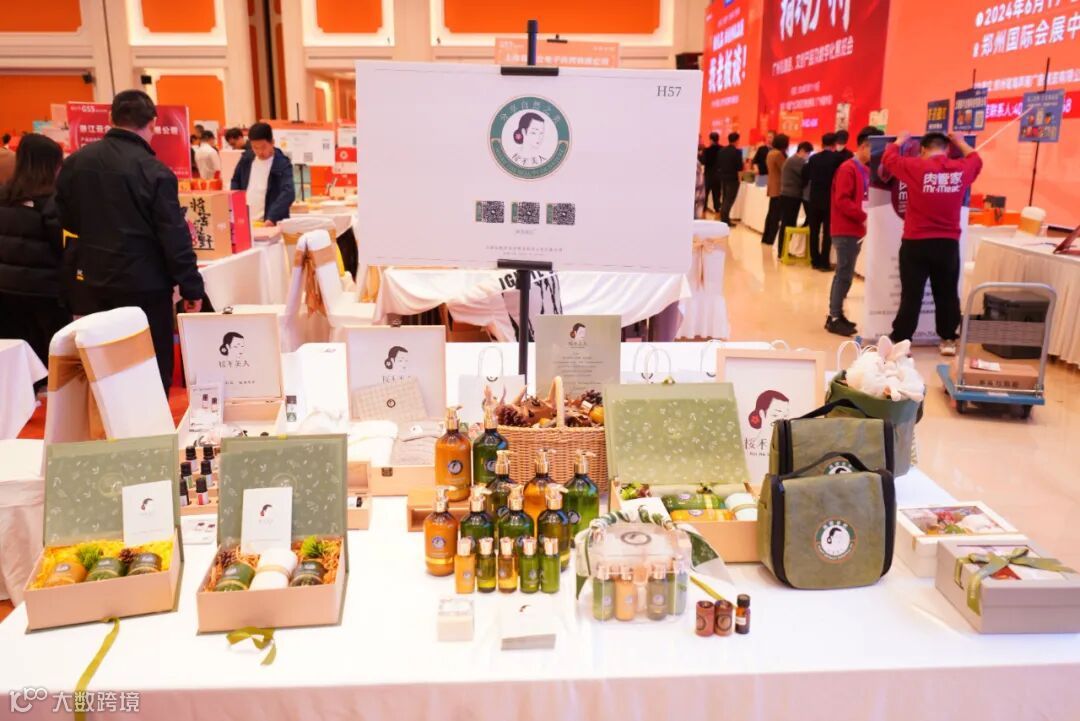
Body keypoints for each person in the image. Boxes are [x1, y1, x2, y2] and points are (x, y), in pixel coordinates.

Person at [56, 89, 204, 391]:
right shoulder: (154, 171)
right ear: (152, 123)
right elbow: (173, 235)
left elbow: (66, 218)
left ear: (111, 118)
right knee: (150, 363)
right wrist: (191, 286)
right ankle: (151, 418)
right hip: (145, 284)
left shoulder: (77, 163)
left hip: (95, 279)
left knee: (106, 364)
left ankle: (111, 417)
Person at [882, 131, 983, 355]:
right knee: (947, 293)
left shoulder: (916, 167)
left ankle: (901, 340)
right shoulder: (960, 169)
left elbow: (889, 159)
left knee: (911, 294)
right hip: (947, 244)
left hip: (915, 242)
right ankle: (948, 339)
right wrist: (960, 142)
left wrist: (899, 141)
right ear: (947, 149)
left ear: (923, 149)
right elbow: (976, 159)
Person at [0, 134, 71, 376]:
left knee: (20, 356)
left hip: (8, 288)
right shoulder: (51, 202)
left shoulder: (5, 196)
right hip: (46, 291)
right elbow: (62, 245)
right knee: (54, 356)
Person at [825, 126, 882, 337]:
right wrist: (864, 216)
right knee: (843, 274)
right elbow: (842, 201)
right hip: (845, 229)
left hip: (856, 230)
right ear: (865, 146)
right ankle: (834, 317)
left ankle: (837, 314)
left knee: (846, 274)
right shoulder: (847, 169)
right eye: (875, 149)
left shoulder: (864, 170)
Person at [231, 122, 295, 226]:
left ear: (272, 142)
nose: (260, 151)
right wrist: (238, 207)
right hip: (246, 221)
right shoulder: (246, 159)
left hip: (269, 222)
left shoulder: (282, 164)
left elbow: (288, 193)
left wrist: (272, 217)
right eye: (255, 147)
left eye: (263, 147)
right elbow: (235, 181)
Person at [804, 132, 841, 270]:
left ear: (822, 143)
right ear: (834, 144)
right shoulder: (837, 158)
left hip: (814, 199)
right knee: (827, 232)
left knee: (814, 231)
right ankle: (825, 262)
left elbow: (806, 175)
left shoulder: (813, 158)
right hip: (829, 199)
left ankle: (815, 260)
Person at [779, 141, 812, 255]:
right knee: (788, 223)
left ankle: (783, 250)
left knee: (788, 222)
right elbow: (806, 174)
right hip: (791, 196)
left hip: (788, 195)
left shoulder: (791, 160)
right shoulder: (797, 161)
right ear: (802, 151)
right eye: (807, 153)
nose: (808, 156)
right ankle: (782, 251)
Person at [761, 133, 789, 250]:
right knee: (776, 215)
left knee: (771, 213)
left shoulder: (770, 153)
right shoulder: (778, 154)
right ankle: (771, 238)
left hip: (772, 186)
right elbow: (786, 169)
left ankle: (766, 237)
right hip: (779, 188)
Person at [716, 132, 744, 224]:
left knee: (725, 198)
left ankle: (725, 218)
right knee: (729, 200)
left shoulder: (722, 151)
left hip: (723, 178)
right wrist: (740, 179)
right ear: (736, 140)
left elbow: (719, 164)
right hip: (733, 179)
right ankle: (724, 219)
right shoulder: (737, 152)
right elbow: (739, 168)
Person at [697, 132, 722, 215]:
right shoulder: (722, 149)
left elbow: (703, 161)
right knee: (717, 195)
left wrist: (700, 155)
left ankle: (703, 212)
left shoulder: (707, 150)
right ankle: (717, 212)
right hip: (718, 176)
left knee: (705, 194)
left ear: (711, 140)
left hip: (708, 175)